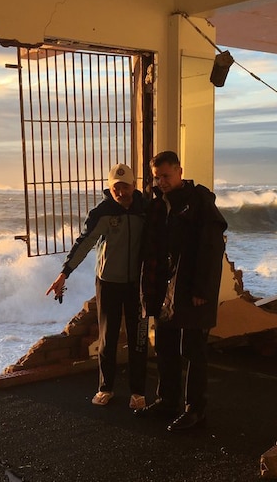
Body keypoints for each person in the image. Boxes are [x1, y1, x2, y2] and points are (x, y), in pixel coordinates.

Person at [135, 150, 227, 431]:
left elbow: (212, 249)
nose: (161, 181)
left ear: (179, 171)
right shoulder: (158, 205)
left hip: (192, 288)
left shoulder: (199, 202)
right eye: (157, 177)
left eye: (166, 175)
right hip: (165, 288)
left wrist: (202, 289)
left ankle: (195, 410)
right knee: (165, 346)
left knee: (193, 350)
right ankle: (167, 401)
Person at [46, 163, 148, 409]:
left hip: (139, 284)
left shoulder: (146, 210)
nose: (121, 192)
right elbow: (84, 243)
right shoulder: (102, 212)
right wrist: (64, 274)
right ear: (110, 188)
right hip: (108, 283)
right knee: (108, 337)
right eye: (116, 187)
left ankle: (138, 392)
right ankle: (106, 388)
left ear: (134, 186)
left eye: (126, 187)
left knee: (138, 339)